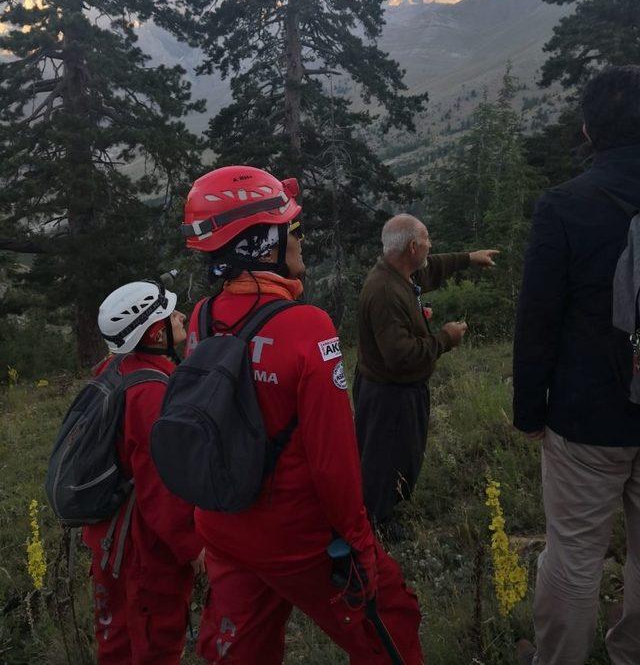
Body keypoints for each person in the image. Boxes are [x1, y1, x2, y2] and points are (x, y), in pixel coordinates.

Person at [180, 165, 423, 665]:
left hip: (223, 526)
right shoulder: (306, 327)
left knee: (239, 650)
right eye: (292, 229)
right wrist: (360, 546)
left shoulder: (202, 317)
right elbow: (335, 462)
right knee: (391, 623)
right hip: (296, 539)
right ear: (261, 242)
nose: (300, 240)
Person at [513, 66, 640, 665]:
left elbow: (537, 317)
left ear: (589, 130)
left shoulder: (565, 206)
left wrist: (528, 412)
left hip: (587, 415)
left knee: (574, 553)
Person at [84, 280, 204, 664]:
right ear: (155, 332)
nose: (183, 316)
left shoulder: (112, 369)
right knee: (156, 645)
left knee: (115, 641)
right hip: (143, 552)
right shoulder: (152, 392)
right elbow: (161, 488)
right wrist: (193, 548)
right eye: (171, 313)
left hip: (108, 539)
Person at [354, 214, 498, 533]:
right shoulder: (386, 292)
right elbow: (400, 356)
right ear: (413, 246)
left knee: (399, 453)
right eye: (427, 240)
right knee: (383, 458)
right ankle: (377, 524)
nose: (431, 246)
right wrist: (446, 338)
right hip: (388, 394)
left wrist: (469, 259)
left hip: (393, 390)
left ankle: (385, 512)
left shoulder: (399, 273)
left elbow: (432, 269)